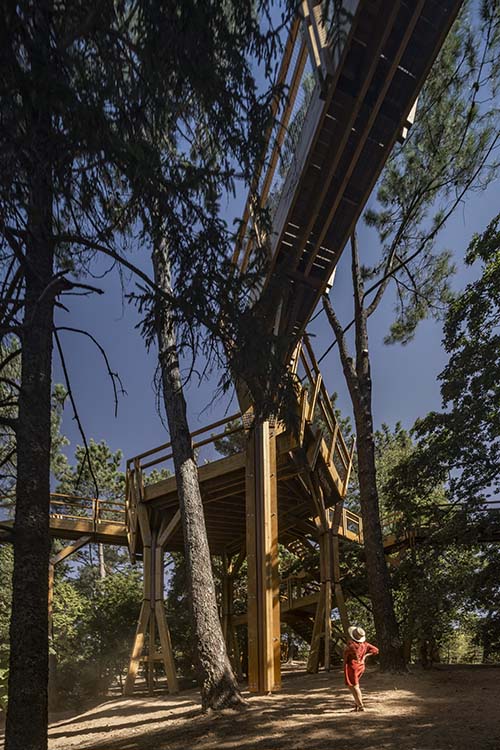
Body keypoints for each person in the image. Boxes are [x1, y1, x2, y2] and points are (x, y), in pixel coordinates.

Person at [343, 625, 379, 711]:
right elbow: (376, 650)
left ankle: (361, 706)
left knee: (354, 686)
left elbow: (346, 654)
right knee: (355, 685)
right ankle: (357, 705)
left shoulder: (351, 645)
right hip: (361, 666)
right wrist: (365, 656)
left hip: (352, 666)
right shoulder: (365, 644)